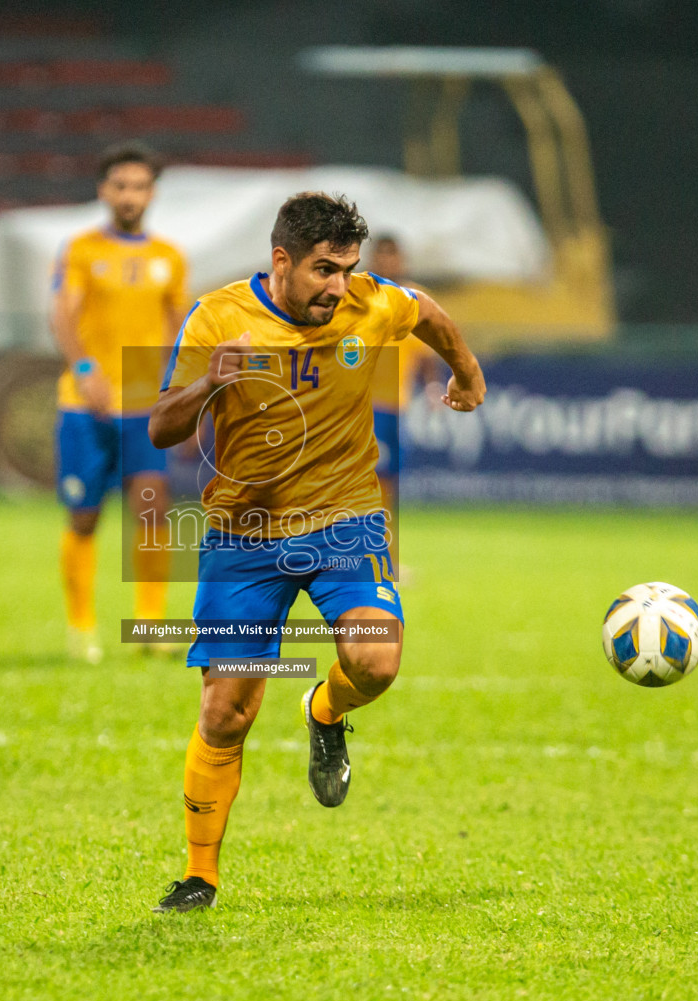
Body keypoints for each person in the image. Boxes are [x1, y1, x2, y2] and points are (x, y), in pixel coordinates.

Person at [146, 192, 486, 911]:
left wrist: (464, 370)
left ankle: (325, 712)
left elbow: (425, 311)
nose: (338, 286)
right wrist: (211, 383)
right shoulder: (217, 318)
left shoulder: (369, 303)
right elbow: (159, 428)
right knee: (225, 715)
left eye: (347, 269)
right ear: (281, 261)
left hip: (346, 523)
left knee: (376, 660)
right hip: (243, 538)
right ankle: (199, 876)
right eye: (324, 270)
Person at [51, 142, 189, 663]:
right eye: (120, 185)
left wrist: (181, 391)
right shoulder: (81, 250)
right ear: (104, 190)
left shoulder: (169, 258)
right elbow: (62, 314)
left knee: (153, 511)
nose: (129, 195)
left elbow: (179, 328)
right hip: (84, 405)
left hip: (144, 406)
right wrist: (84, 369)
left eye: (139, 186)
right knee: (84, 517)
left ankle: (150, 625)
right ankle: (81, 626)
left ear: (152, 193)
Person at [365, 234, 439, 566]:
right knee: (367, 481)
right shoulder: (359, 296)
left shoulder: (413, 300)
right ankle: (368, 557)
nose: (387, 263)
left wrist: (433, 386)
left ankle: (384, 556)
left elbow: (427, 352)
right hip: (364, 405)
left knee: (388, 484)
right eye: (381, 256)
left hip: (397, 407)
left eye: (392, 256)